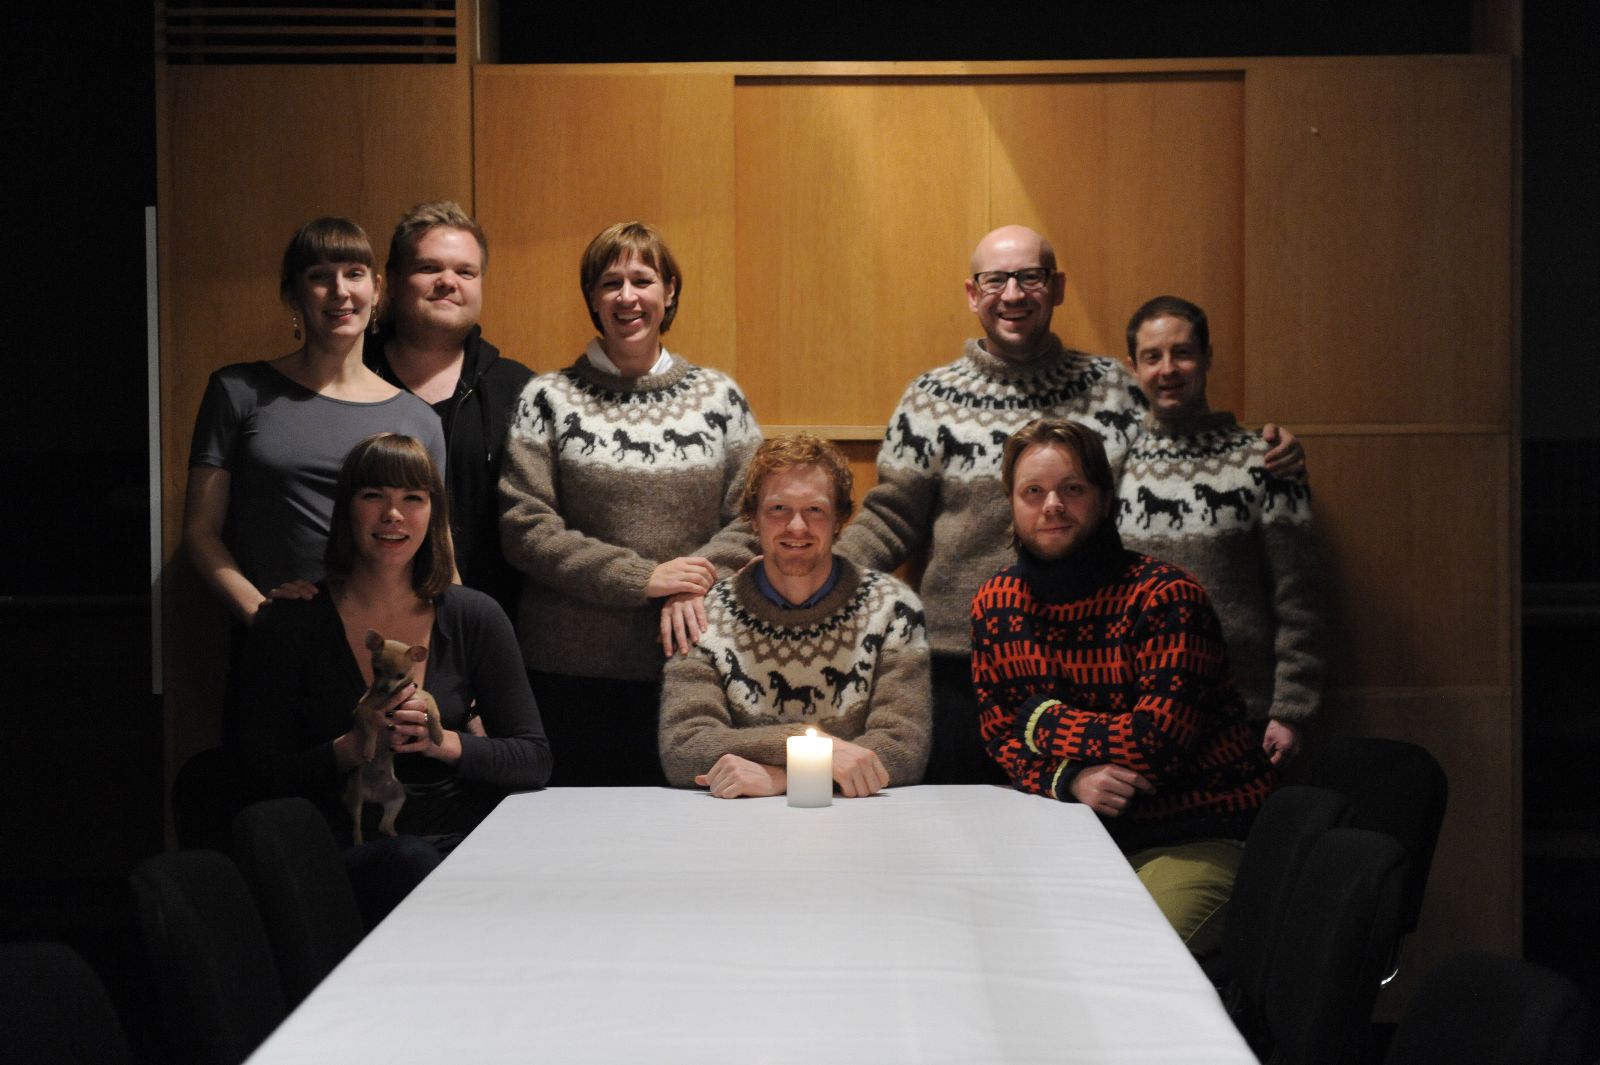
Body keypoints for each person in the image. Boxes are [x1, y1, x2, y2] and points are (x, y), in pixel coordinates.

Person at [836, 224, 1302, 784]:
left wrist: (1264, 450)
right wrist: (819, 581)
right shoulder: (929, 400)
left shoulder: (1113, 387)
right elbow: (889, 519)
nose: (1012, 294)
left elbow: (1178, 444)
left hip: (1094, 661)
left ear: (1056, 288)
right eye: (995, 280)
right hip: (959, 661)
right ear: (972, 293)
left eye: (1030, 277)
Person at [971, 418, 1274, 957]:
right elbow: (999, 736)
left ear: (1105, 498)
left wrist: (1041, 721)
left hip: (1200, 832)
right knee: (1000, 943)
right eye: (1033, 492)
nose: (1052, 505)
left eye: (1072, 488)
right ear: (1012, 505)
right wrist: (1068, 778)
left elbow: (1153, 744)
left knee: (1129, 959)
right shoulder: (995, 603)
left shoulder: (1167, 597)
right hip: (1075, 833)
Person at [229, 433, 551, 920]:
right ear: (347, 509)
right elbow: (252, 776)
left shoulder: (475, 617)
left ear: (433, 513)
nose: (393, 514)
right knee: (408, 862)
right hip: (340, 855)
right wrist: (350, 748)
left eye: (413, 498)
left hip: (460, 849)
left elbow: (533, 758)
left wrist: (441, 743)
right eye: (373, 495)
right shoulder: (292, 621)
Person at [500, 221, 761, 786]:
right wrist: (645, 579)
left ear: (670, 291)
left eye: (642, 280)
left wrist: (692, 581)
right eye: (610, 283)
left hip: (698, 666)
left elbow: (756, 517)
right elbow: (525, 527)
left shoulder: (720, 398)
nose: (627, 297)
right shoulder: (547, 398)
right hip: (569, 675)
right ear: (592, 298)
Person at [184, 217, 445, 626]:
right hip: (278, 634)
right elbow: (201, 532)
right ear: (293, 294)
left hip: (386, 640)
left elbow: (439, 551)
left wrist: (451, 644)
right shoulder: (238, 391)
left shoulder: (419, 419)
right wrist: (262, 616)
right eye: (320, 276)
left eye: (354, 274)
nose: (340, 291)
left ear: (377, 289)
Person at [659, 435, 931, 798]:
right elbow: (684, 748)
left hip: (858, 819)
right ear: (752, 518)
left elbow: (903, 749)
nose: (797, 527)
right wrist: (810, 745)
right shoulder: (702, 614)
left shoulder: (895, 609)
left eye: (815, 510)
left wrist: (783, 778)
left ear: (840, 519)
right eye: (778, 509)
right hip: (736, 821)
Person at [1117, 296, 1323, 766]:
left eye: (1182, 353)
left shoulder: (1266, 461)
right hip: (1133, 713)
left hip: (1241, 712)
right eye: (1152, 356)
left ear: (1207, 357)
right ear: (1133, 367)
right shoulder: (1111, 464)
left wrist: (1291, 710)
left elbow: (1299, 597)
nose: (1168, 369)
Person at [367, 202, 533, 621]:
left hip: (487, 627)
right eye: (429, 268)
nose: (448, 282)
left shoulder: (521, 391)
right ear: (393, 281)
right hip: (363, 624)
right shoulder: (350, 382)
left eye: (465, 272)